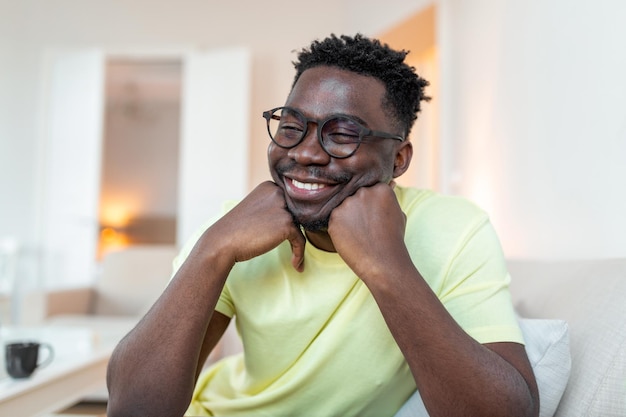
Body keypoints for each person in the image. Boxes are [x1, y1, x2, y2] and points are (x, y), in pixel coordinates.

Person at [106, 34, 539, 417]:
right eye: (292, 127)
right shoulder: (231, 228)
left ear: (400, 159)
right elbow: (132, 409)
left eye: (343, 134)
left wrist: (385, 266)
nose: (307, 153)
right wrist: (213, 250)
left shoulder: (453, 228)